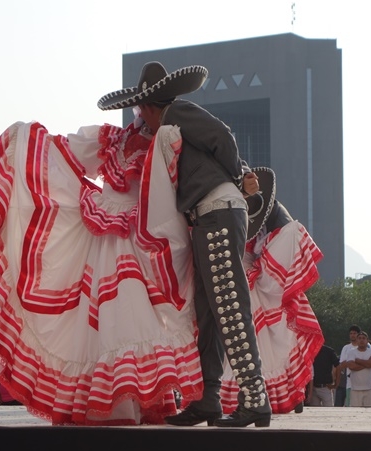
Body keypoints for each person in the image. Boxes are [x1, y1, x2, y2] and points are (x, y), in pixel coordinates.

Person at [0, 98, 203, 424]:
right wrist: (33, 142)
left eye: (157, 106)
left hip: (145, 233)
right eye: (148, 106)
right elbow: (69, 152)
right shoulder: (115, 139)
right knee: (113, 317)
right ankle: (119, 406)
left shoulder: (172, 141)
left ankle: (138, 402)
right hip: (107, 236)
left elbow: (185, 188)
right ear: (142, 107)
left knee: (136, 318)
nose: (149, 112)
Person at [98, 61, 270, 428]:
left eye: (140, 110)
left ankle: (255, 398)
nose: (139, 118)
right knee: (208, 312)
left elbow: (222, 136)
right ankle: (209, 399)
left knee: (228, 303)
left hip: (217, 211)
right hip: (208, 216)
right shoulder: (171, 131)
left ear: (146, 106)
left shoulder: (177, 112)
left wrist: (237, 177)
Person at [218, 168, 324, 414]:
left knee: (276, 335)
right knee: (258, 338)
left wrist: (266, 262)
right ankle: (272, 395)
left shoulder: (272, 209)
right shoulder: (228, 207)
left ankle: (287, 394)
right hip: (245, 275)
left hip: (261, 277)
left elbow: (288, 233)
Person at [345, 331, 371, 407]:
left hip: (369, 389)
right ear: (357, 340)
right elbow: (351, 366)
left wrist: (358, 361)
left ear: (367, 340)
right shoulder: (351, 352)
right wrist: (367, 363)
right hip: (355, 389)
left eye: (363, 338)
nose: (361, 340)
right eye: (359, 338)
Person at [338, 324, 362, 407]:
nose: (352, 335)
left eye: (354, 333)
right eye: (351, 333)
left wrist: (352, 362)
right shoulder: (346, 348)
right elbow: (342, 365)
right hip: (350, 383)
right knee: (350, 406)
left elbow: (369, 363)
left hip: (364, 382)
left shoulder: (367, 346)